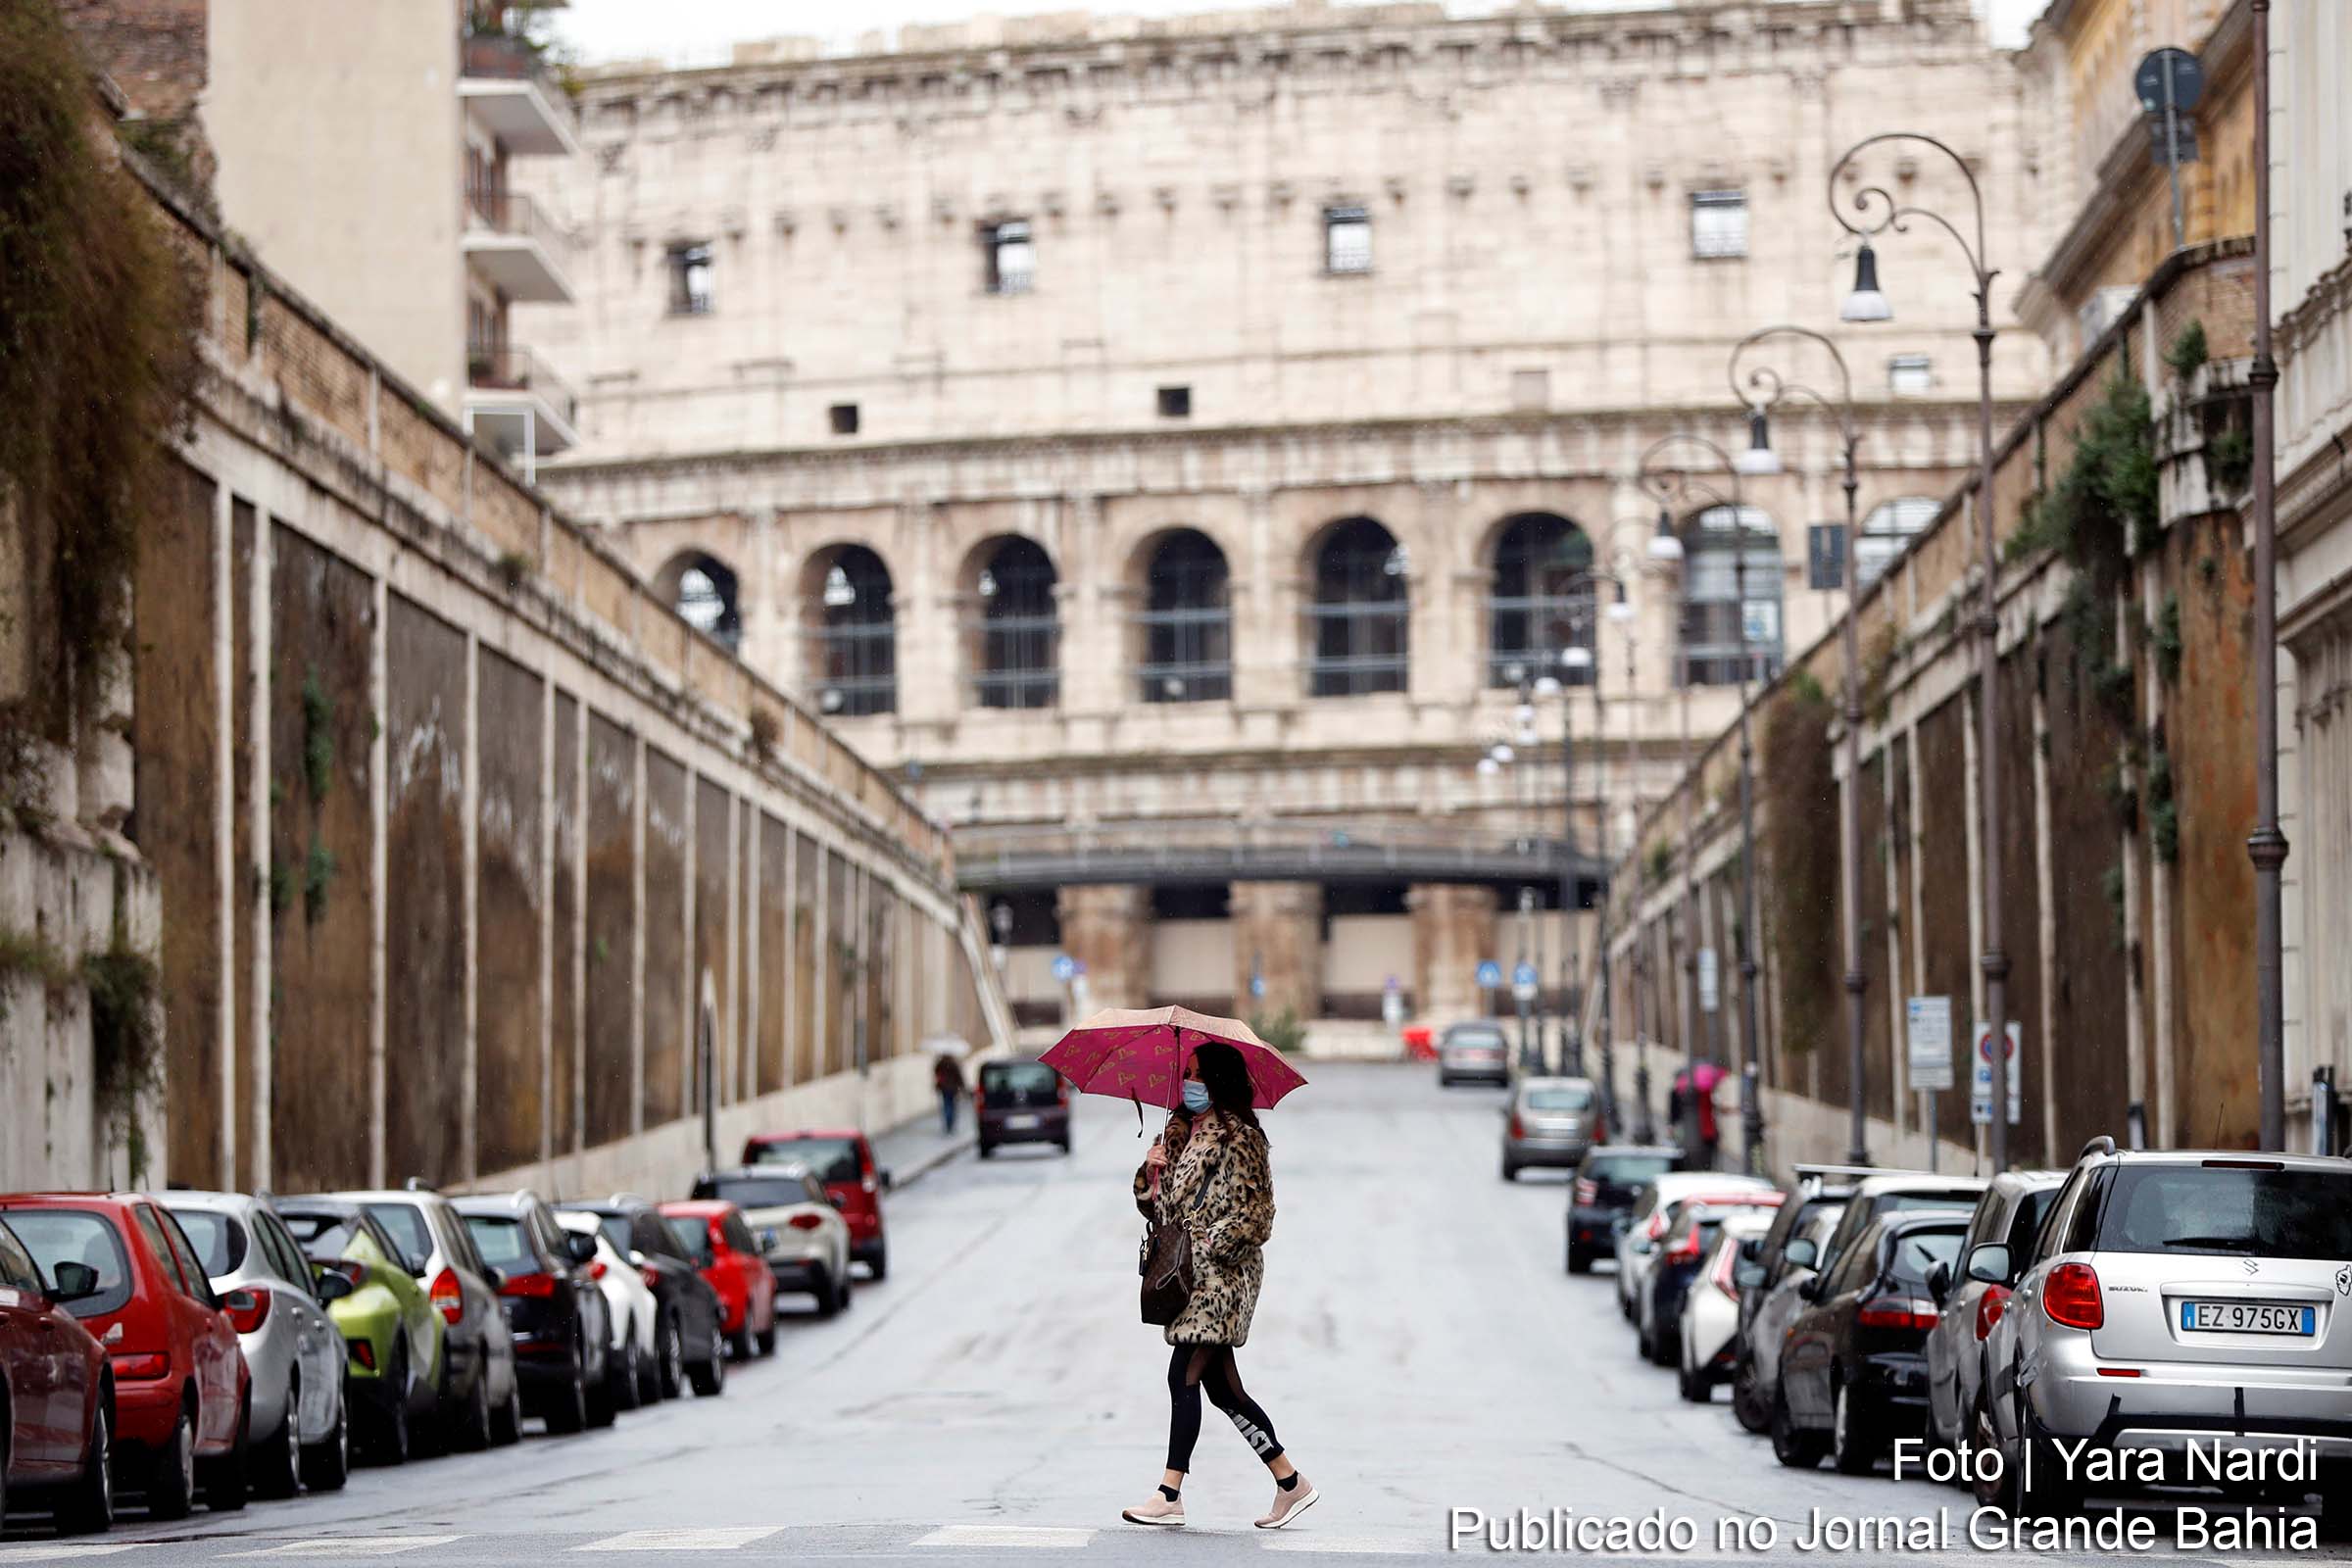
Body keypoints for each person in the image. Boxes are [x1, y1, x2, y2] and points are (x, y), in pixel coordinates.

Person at [1120, 1039, 1317, 1532]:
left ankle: (1169, 1494)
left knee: (1181, 1375)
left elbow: (1259, 1214)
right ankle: (1290, 1481)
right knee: (1225, 1391)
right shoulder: (1178, 1133)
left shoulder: (1242, 1138)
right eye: (1186, 1074)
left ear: (1218, 1081)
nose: (1188, 1083)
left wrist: (1216, 1239)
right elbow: (1159, 1211)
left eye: (1196, 1075)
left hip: (1224, 1279)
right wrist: (1150, 1173)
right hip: (1189, 1276)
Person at [933, 1051, 965, 1135]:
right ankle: (951, 1124)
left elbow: (936, 1072)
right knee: (952, 1106)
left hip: (944, 1088)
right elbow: (959, 1076)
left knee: (946, 1105)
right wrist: (962, 1087)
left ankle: (948, 1124)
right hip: (953, 1088)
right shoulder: (953, 1063)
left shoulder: (940, 1063)